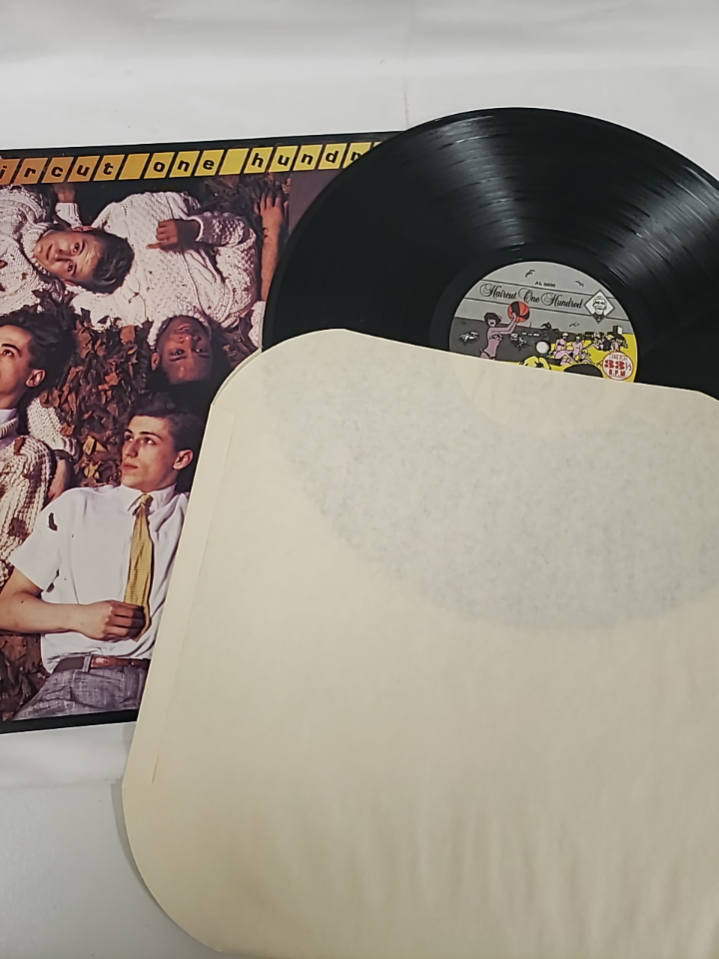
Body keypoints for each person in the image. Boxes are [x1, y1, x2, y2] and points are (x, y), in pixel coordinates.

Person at [0, 392, 204, 719]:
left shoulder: (199, 517)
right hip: (75, 686)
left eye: (148, 441)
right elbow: (6, 606)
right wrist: (79, 618)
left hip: (165, 697)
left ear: (181, 459)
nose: (130, 450)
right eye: (129, 437)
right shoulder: (76, 506)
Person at [62, 187, 285, 352]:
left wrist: (67, 211)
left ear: (157, 358)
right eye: (201, 351)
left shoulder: (130, 323)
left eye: (177, 353)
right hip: (174, 189)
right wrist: (195, 229)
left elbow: (76, 291)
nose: (188, 340)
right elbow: (240, 238)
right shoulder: (228, 305)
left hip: (102, 204)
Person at [0, 310, 76, 588]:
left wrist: (61, 455)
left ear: (33, 378)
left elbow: (4, 556)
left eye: (7, 353)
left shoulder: (25, 457)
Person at [0, 185, 134, 313]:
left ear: (67, 281)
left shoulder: (32, 298)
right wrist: (67, 205)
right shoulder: (30, 203)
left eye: (70, 267)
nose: (58, 255)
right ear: (81, 229)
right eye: (76, 247)